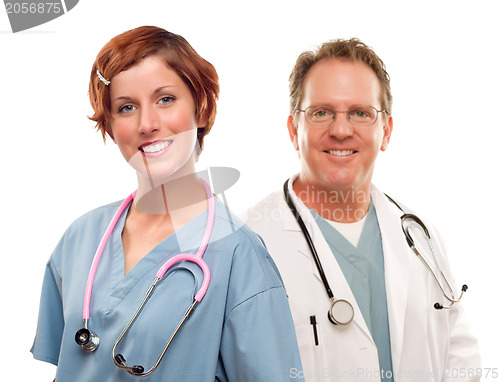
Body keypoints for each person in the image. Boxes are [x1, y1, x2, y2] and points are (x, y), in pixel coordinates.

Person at [30, 26, 303, 381]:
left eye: (165, 99)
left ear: (201, 110)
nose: (147, 124)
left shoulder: (240, 256)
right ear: (111, 129)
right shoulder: (79, 239)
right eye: (126, 107)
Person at [244, 38, 481, 381]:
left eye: (361, 113)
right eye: (321, 112)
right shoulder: (249, 244)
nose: (341, 130)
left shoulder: (420, 236)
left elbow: (461, 357)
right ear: (295, 131)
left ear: (386, 131)